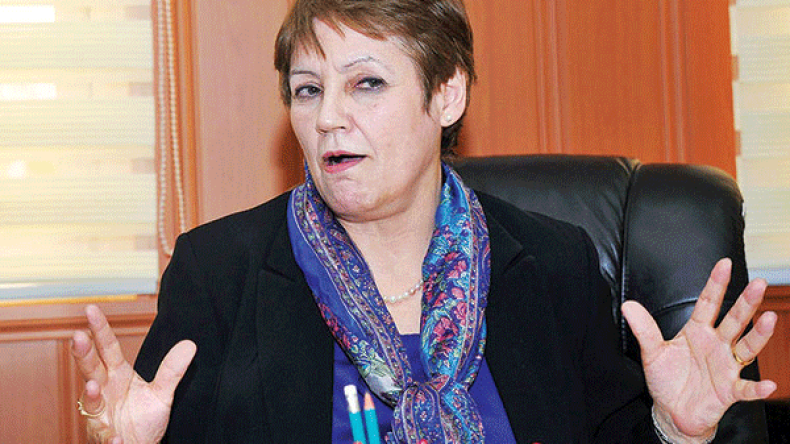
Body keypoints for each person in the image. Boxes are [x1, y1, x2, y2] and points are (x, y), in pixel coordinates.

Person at [71, 0, 778, 442]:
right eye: (308, 90)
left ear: (447, 95)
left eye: (366, 83)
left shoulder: (553, 265)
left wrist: (672, 430)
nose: (328, 117)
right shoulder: (218, 273)